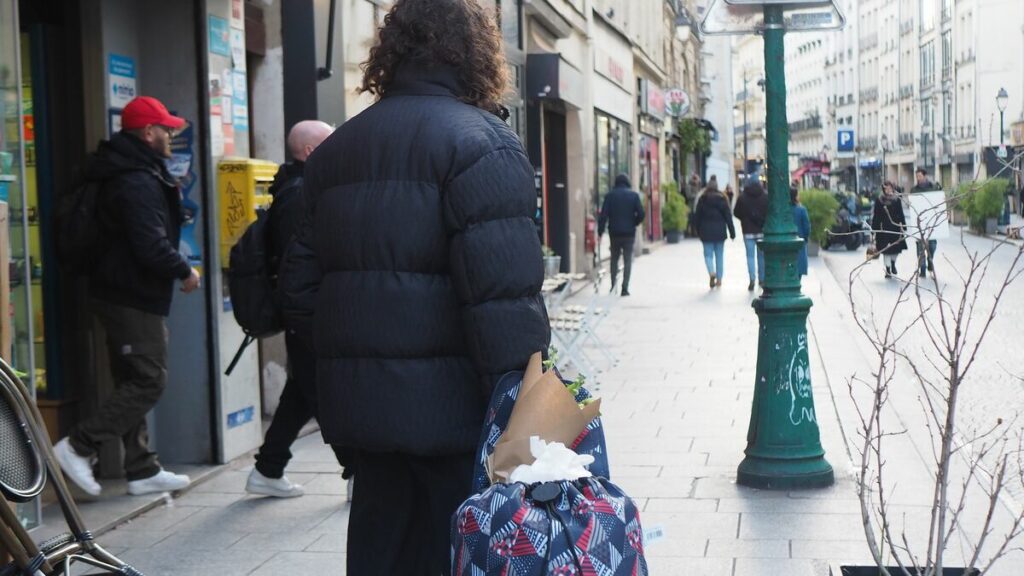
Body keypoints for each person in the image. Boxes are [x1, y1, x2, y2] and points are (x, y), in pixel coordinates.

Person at [278, 1, 550, 573]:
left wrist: (346, 378)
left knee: (379, 554)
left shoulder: (336, 152)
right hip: (455, 422)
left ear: (391, 52)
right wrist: (523, 416)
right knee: (456, 554)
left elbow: (299, 291)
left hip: (365, 421)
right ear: (477, 54)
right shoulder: (483, 143)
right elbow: (503, 306)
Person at [54, 96, 201, 497]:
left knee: (133, 377)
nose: (171, 136)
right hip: (130, 294)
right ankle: (77, 446)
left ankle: (140, 468)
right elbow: (149, 244)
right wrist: (184, 270)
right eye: (166, 129)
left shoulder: (126, 169)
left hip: (119, 290)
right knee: (150, 380)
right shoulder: (134, 178)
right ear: (148, 132)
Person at [244, 120, 357, 499]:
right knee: (324, 394)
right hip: (307, 312)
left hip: (308, 310)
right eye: (330, 142)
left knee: (301, 392)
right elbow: (301, 264)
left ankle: (268, 468)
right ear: (310, 152)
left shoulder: (302, 188)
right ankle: (358, 472)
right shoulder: (299, 194)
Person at [598, 173, 645, 296]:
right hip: (629, 233)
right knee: (627, 260)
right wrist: (634, 223)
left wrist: (600, 232)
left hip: (614, 233)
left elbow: (603, 215)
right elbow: (641, 214)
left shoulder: (610, 196)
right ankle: (625, 288)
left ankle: (613, 286)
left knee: (614, 259)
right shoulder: (633, 196)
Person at [693, 175, 735, 288]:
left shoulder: (702, 199)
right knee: (719, 256)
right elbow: (728, 217)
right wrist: (732, 232)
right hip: (720, 232)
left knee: (708, 255)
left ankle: (712, 272)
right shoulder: (723, 199)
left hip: (706, 232)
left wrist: (696, 230)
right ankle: (719, 279)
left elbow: (697, 216)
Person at [733, 179, 769, 290]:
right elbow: (769, 212)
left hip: (748, 231)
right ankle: (762, 279)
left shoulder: (742, 197)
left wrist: (744, 219)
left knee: (750, 256)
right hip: (761, 231)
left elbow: (736, 212)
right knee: (761, 257)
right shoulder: (765, 196)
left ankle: (752, 278)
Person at [871, 180, 908, 279]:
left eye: (889, 188)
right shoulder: (879, 200)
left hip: (895, 228)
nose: (887, 190)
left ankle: (893, 264)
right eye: (885, 188)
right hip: (883, 229)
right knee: (886, 250)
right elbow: (876, 215)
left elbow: (901, 214)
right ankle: (887, 269)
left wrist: (903, 226)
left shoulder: (897, 199)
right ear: (883, 189)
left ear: (893, 188)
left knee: (895, 250)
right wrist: (874, 229)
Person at [911, 167, 938, 278]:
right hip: (919, 222)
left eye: (920, 176)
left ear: (925, 176)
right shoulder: (914, 190)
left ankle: (930, 261)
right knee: (920, 247)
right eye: (917, 176)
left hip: (931, 221)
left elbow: (939, 201)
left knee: (932, 245)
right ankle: (922, 269)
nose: (918, 178)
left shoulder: (934, 188)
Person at [792, 188, 811, 276]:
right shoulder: (801, 210)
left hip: (789, 240)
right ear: (796, 197)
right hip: (800, 239)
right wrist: (806, 237)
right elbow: (806, 226)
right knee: (799, 264)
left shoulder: (784, 211)